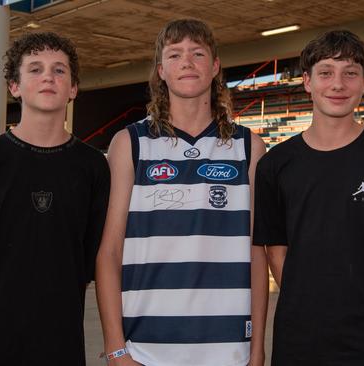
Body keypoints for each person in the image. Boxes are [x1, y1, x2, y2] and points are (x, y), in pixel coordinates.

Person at [96, 19, 268, 366]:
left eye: (198, 53)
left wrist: (257, 348)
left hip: (229, 350)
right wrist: (117, 349)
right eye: (175, 55)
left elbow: (256, 255)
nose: (187, 62)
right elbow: (110, 253)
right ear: (161, 70)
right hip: (146, 350)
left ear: (215, 66)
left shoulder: (249, 147)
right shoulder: (130, 143)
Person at [253, 30, 364, 365]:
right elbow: (275, 250)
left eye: (350, 73)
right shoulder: (275, 164)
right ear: (307, 81)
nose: (338, 84)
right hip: (297, 339)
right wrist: (314, 308)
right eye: (326, 72)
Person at [0, 32, 110, 366]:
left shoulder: (93, 166)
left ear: (73, 89)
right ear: (14, 86)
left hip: (57, 340)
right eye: (35, 68)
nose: (48, 76)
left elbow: (90, 260)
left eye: (59, 70)